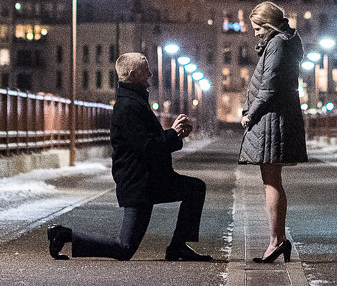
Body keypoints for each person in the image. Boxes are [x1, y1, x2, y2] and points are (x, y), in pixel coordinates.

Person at [47, 51, 213, 262]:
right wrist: (171, 133)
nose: (151, 75)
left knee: (195, 188)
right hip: (139, 184)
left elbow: (150, 143)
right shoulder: (128, 107)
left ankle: (178, 247)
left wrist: (175, 135)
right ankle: (64, 235)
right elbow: (148, 147)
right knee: (124, 248)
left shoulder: (134, 102)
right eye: (146, 71)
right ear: (134, 75)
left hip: (150, 180)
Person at [237, 1, 307, 263]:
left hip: (272, 120)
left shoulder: (277, 43)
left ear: (269, 24)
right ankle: (278, 240)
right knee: (271, 179)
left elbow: (269, 86)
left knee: (271, 180)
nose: (255, 33)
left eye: (258, 28)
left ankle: (277, 241)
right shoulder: (283, 42)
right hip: (275, 118)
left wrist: (250, 116)